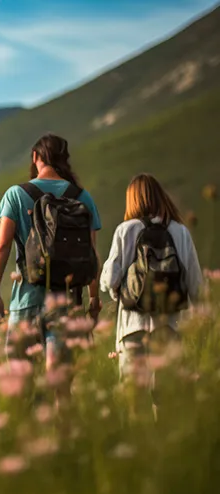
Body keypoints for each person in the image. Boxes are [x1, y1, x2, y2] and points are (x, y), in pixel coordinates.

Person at [0, 134, 102, 377]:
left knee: (22, 382)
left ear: (35, 157)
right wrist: (93, 298)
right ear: (65, 159)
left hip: (26, 300)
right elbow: (91, 254)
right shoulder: (82, 197)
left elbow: (2, 247)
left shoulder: (16, 194)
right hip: (67, 301)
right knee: (60, 381)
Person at [100, 174, 202, 416]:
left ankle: (141, 449)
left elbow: (109, 280)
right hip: (169, 328)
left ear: (132, 200)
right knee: (167, 400)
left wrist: (118, 290)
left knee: (135, 400)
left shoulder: (126, 230)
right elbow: (196, 285)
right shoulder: (180, 231)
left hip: (132, 329)